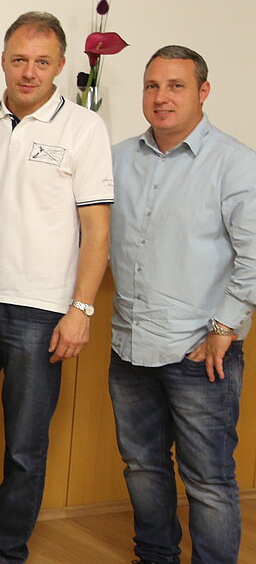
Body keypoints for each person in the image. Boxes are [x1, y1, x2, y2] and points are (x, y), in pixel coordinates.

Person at [0, 12, 113, 564]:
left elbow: (97, 230)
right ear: (3, 61)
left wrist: (81, 310)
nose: (29, 72)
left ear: (61, 66)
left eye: (42, 62)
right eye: (19, 60)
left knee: (26, 449)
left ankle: (4, 553)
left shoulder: (84, 128)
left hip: (42, 313)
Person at [109, 45, 253, 564]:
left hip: (199, 351)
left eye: (176, 86)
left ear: (203, 92)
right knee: (142, 467)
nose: (161, 97)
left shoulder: (235, 163)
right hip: (129, 345)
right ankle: (155, 557)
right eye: (152, 86)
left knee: (208, 479)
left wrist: (224, 326)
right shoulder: (117, 158)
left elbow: (254, 254)